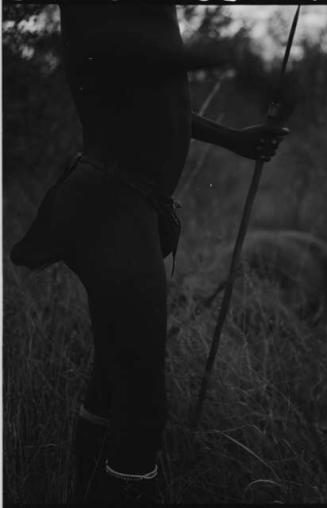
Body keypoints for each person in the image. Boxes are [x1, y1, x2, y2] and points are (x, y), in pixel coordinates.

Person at [10, 3, 289, 504]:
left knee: (115, 378)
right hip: (107, 207)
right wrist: (222, 55)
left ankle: (88, 491)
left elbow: (159, 96)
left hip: (127, 207)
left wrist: (234, 140)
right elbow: (117, 61)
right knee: (143, 402)